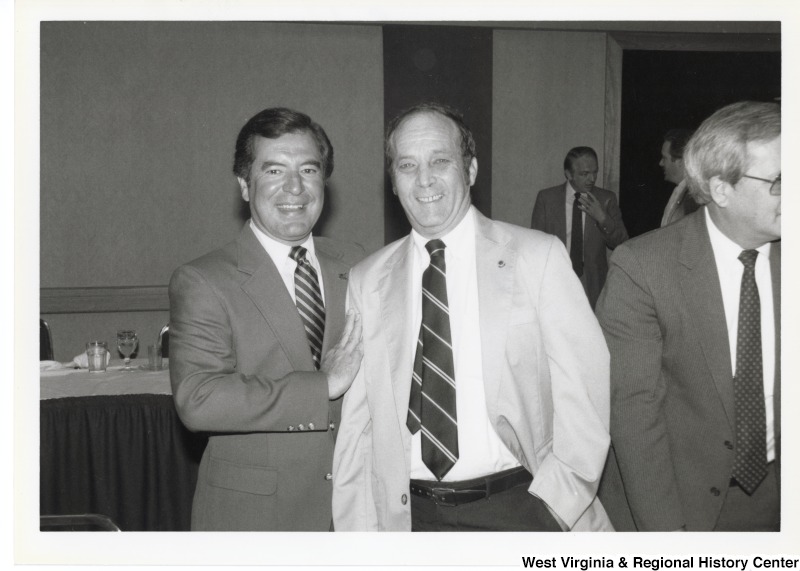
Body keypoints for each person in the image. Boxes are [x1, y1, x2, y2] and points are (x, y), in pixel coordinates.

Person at [332, 103, 612, 532]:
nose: (423, 179)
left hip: (521, 509)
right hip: (409, 521)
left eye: (439, 161)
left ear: (472, 169)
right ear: (393, 180)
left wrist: (556, 505)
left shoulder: (537, 258)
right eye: (407, 165)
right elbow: (358, 428)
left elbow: (586, 391)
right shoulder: (367, 279)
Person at [169, 107, 364, 531]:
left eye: (309, 170)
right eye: (274, 170)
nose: (295, 187)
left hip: (357, 515)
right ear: (244, 184)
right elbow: (198, 400)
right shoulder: (204, 279)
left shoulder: (361, 264)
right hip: (255, 522)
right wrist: (323, 386)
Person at [596, 101, 781, 531]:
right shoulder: (642, 267)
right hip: (679, 504)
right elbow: (633, 415)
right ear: (721, 189)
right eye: (779, 181)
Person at [531, 147, 628, 309]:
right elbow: (536, 244)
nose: (592, 179)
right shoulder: (547, 199)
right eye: (584, 174)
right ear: (569, 174)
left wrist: (602, 218)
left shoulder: (606, 199)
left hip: (592, 283)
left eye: (594, 172)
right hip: (556, 279)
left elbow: (621, 242)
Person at [659, 128, 700, 227]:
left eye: (665, 158)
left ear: (681, 161)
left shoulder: (694, 199)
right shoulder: (683, 192)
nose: (661, 163)